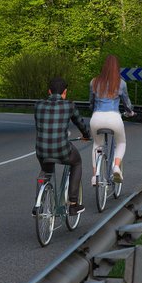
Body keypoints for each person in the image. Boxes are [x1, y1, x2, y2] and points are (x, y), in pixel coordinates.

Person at [34, 76, 91, 214]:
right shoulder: (69, 105)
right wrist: (86, 135)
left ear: (49, 91)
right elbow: (80, 123)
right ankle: (73, 204)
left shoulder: (38, 105)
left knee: (46, 171)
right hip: (62, 149)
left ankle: (38, 205)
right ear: (65, 92)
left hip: (41, 150)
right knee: (77, 162)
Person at [89, 54, 135, 185]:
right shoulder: (121, 83)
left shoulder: (94, 82)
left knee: (97, 145)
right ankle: (116, 166)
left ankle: (95, 176)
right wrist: (130, 112)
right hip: (114, 118)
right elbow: (126, 104)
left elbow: (91, 103)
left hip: (96, 118)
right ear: (117, 68)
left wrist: (93, 110)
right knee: (121, 143)